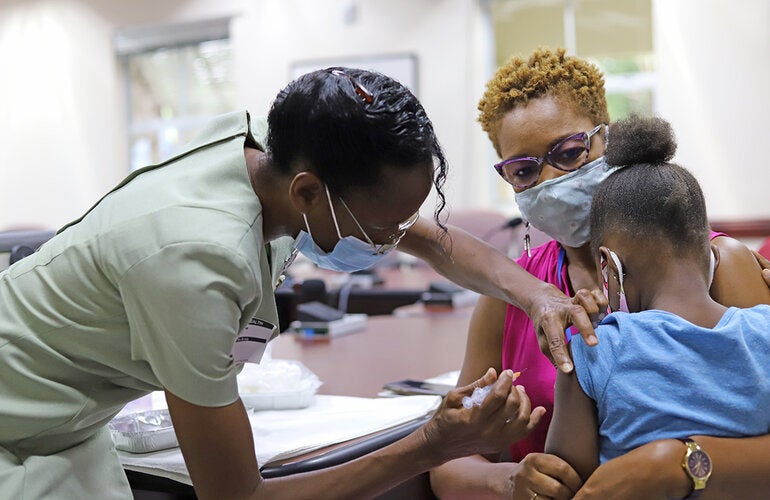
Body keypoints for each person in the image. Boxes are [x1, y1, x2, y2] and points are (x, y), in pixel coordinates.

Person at [0, 67, 570, 499]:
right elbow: (238, 495)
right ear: (305, 193)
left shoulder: (271, 154)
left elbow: (432, 240)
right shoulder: (194, 261)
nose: (391, 239)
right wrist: (430, 446)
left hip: (70, 421)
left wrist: (539, 294)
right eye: (378, 229)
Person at [430, 48, 770, 499]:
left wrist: (680, 462)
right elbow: (450, 458)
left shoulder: (717, 263)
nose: (550, 179)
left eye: (570, 153)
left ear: (606, 139)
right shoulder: (512, 292)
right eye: (525, 170)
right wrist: (509, 480)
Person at [545, 114, 770, 499]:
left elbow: (562, 481)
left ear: (608, 267)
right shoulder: (764, 329)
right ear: (708, 246)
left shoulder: (593, 348)